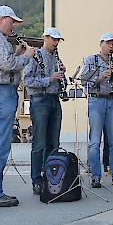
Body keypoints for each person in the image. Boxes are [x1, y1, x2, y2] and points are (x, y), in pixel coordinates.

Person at [0, 5, 35, 207]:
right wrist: (27, 56)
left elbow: (4, 61)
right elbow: (8, 65)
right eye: (12, 21)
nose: (13, 26)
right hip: (1, 94)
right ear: (2, 19)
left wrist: (17, 53)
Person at [80, 32, 113, 188]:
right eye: (108, 43)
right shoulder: (90, 60)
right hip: (96, 100)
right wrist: (100, 77)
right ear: (101, 44)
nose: (111, 46)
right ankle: (95, 176)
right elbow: (83, 80)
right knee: (95, 141)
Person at [23, 27, 66, 195]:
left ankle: (51, 176)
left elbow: (60, 81)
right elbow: (27, 80)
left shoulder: (56, 57)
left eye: (58, 40)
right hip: (40, 100)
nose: (56, 43)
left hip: (55, 99)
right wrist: (50, 78)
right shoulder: (36, 56)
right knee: (39, 142)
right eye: (54, 40)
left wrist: (63, 75)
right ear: (45, 38)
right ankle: (36, 179)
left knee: (54, 142)